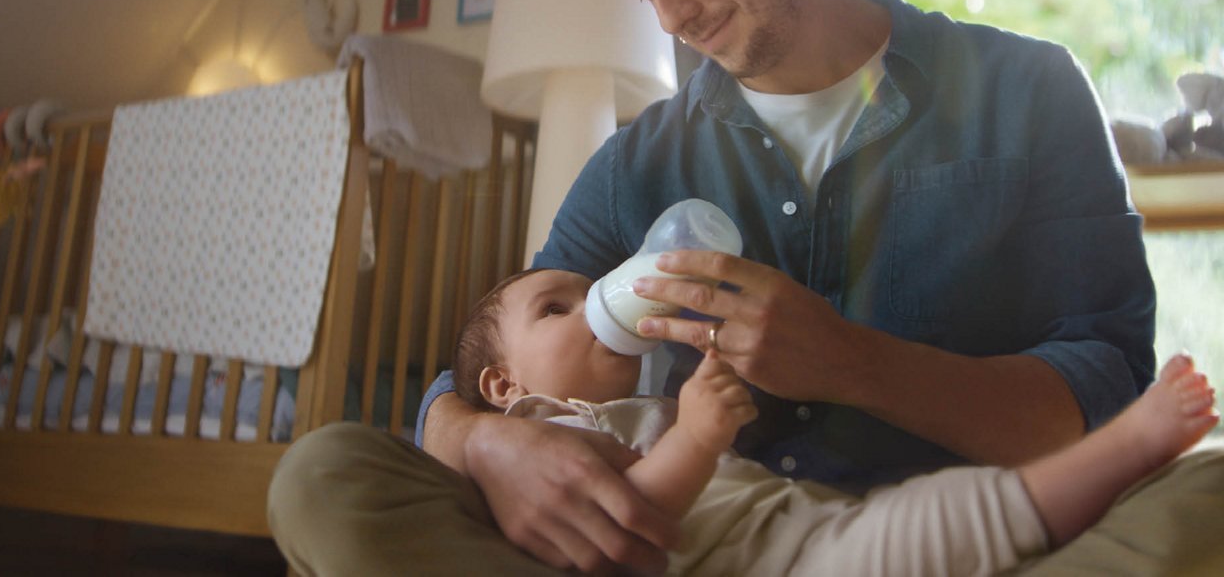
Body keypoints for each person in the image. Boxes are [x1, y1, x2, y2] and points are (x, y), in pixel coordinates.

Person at [268, 0, 1224, 575]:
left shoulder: (1028, 90)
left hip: (967, 537)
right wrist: (491, 443)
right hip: (700, 547)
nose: (671, 16)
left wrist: (854, 363)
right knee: (323, 473)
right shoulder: (636, 166)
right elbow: (497, 362)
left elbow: (1102, 399)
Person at [445, 268, 1216, 576]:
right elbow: (629, 517)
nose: (595, 308)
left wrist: (713, 396)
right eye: (558, 308)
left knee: (933, 519)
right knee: (931, 527)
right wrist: (697, 435)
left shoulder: (638, 404)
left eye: (589, 291)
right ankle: (1126, 448)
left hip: (799, 524)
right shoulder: (546, 426)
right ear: (503, 383)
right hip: (766, 567)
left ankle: (1109, 470)